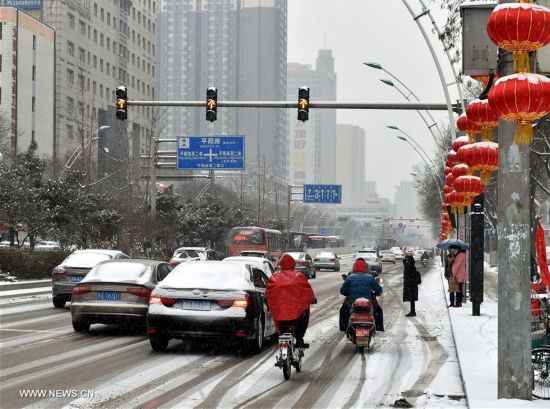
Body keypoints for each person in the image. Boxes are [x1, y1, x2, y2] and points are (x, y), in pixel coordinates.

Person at [266, 254, 316, 348]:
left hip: (280, 314)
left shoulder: (274, 277)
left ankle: (283, 337)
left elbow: (269, 293)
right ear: (293, 264)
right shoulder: (298, 276)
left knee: (282, 325)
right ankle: (299, 339)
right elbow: (306, 291)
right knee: (303, 316)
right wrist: (312, 299)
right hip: (296, 314)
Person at [339, 259, 383, 331]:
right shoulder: (370, 278)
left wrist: (348, 293)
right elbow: (379, 290)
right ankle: (378, 328)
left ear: (354, 267)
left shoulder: (350, 278)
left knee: (343, 311)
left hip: (352, 303)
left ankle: (343, 328)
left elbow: (342, 291)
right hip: (368, 304)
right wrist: (376, 293)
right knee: (378, 310)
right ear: (365, 268)